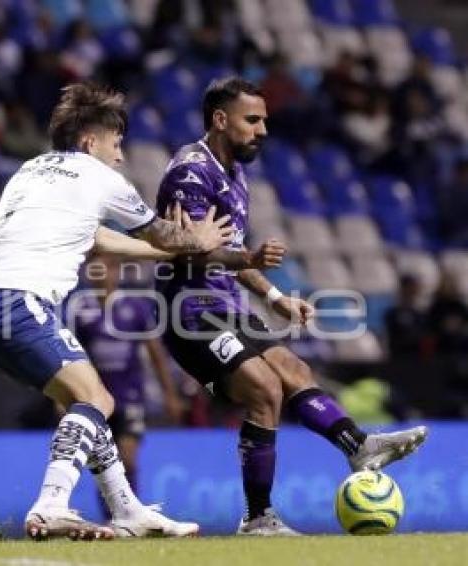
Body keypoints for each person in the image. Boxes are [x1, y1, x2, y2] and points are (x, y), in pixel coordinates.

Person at [0, 82, 233, 540]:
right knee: (95, 400)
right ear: (89, 142)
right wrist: (199, 240)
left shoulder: (32, 169)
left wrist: (163, 255)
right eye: (116, 144)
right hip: (16, 296)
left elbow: (95, 237)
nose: (120, 156)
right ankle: (51, 504)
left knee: (87, 398)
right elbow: (166, 234)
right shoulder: (101, 178)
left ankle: (128, 510)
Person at [155, 77, 428, 536]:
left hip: (225, 305)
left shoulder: (235, 176)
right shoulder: (190, 173)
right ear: (221, 120)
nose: (263, 130)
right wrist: (247, 257)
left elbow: (235, 255)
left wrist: (276, 297)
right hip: (189, 311)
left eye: (265, 120)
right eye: (253, 120)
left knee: (295, 370)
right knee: (264, 389)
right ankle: (258, 518)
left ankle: (358, 445)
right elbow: (189, 249)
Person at [71, 254, 185, 504]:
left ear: (118, 273)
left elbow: (156, 354)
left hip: (130, 395)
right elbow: (73, 358)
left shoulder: (135, 307)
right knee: (103, 463)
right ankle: (112, 518)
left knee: (128, 457)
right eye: (96, 269)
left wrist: (170, 395)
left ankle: (131, 510)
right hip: (97, 399)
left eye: (109, 269)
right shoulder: (81, 311)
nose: (103, 275)